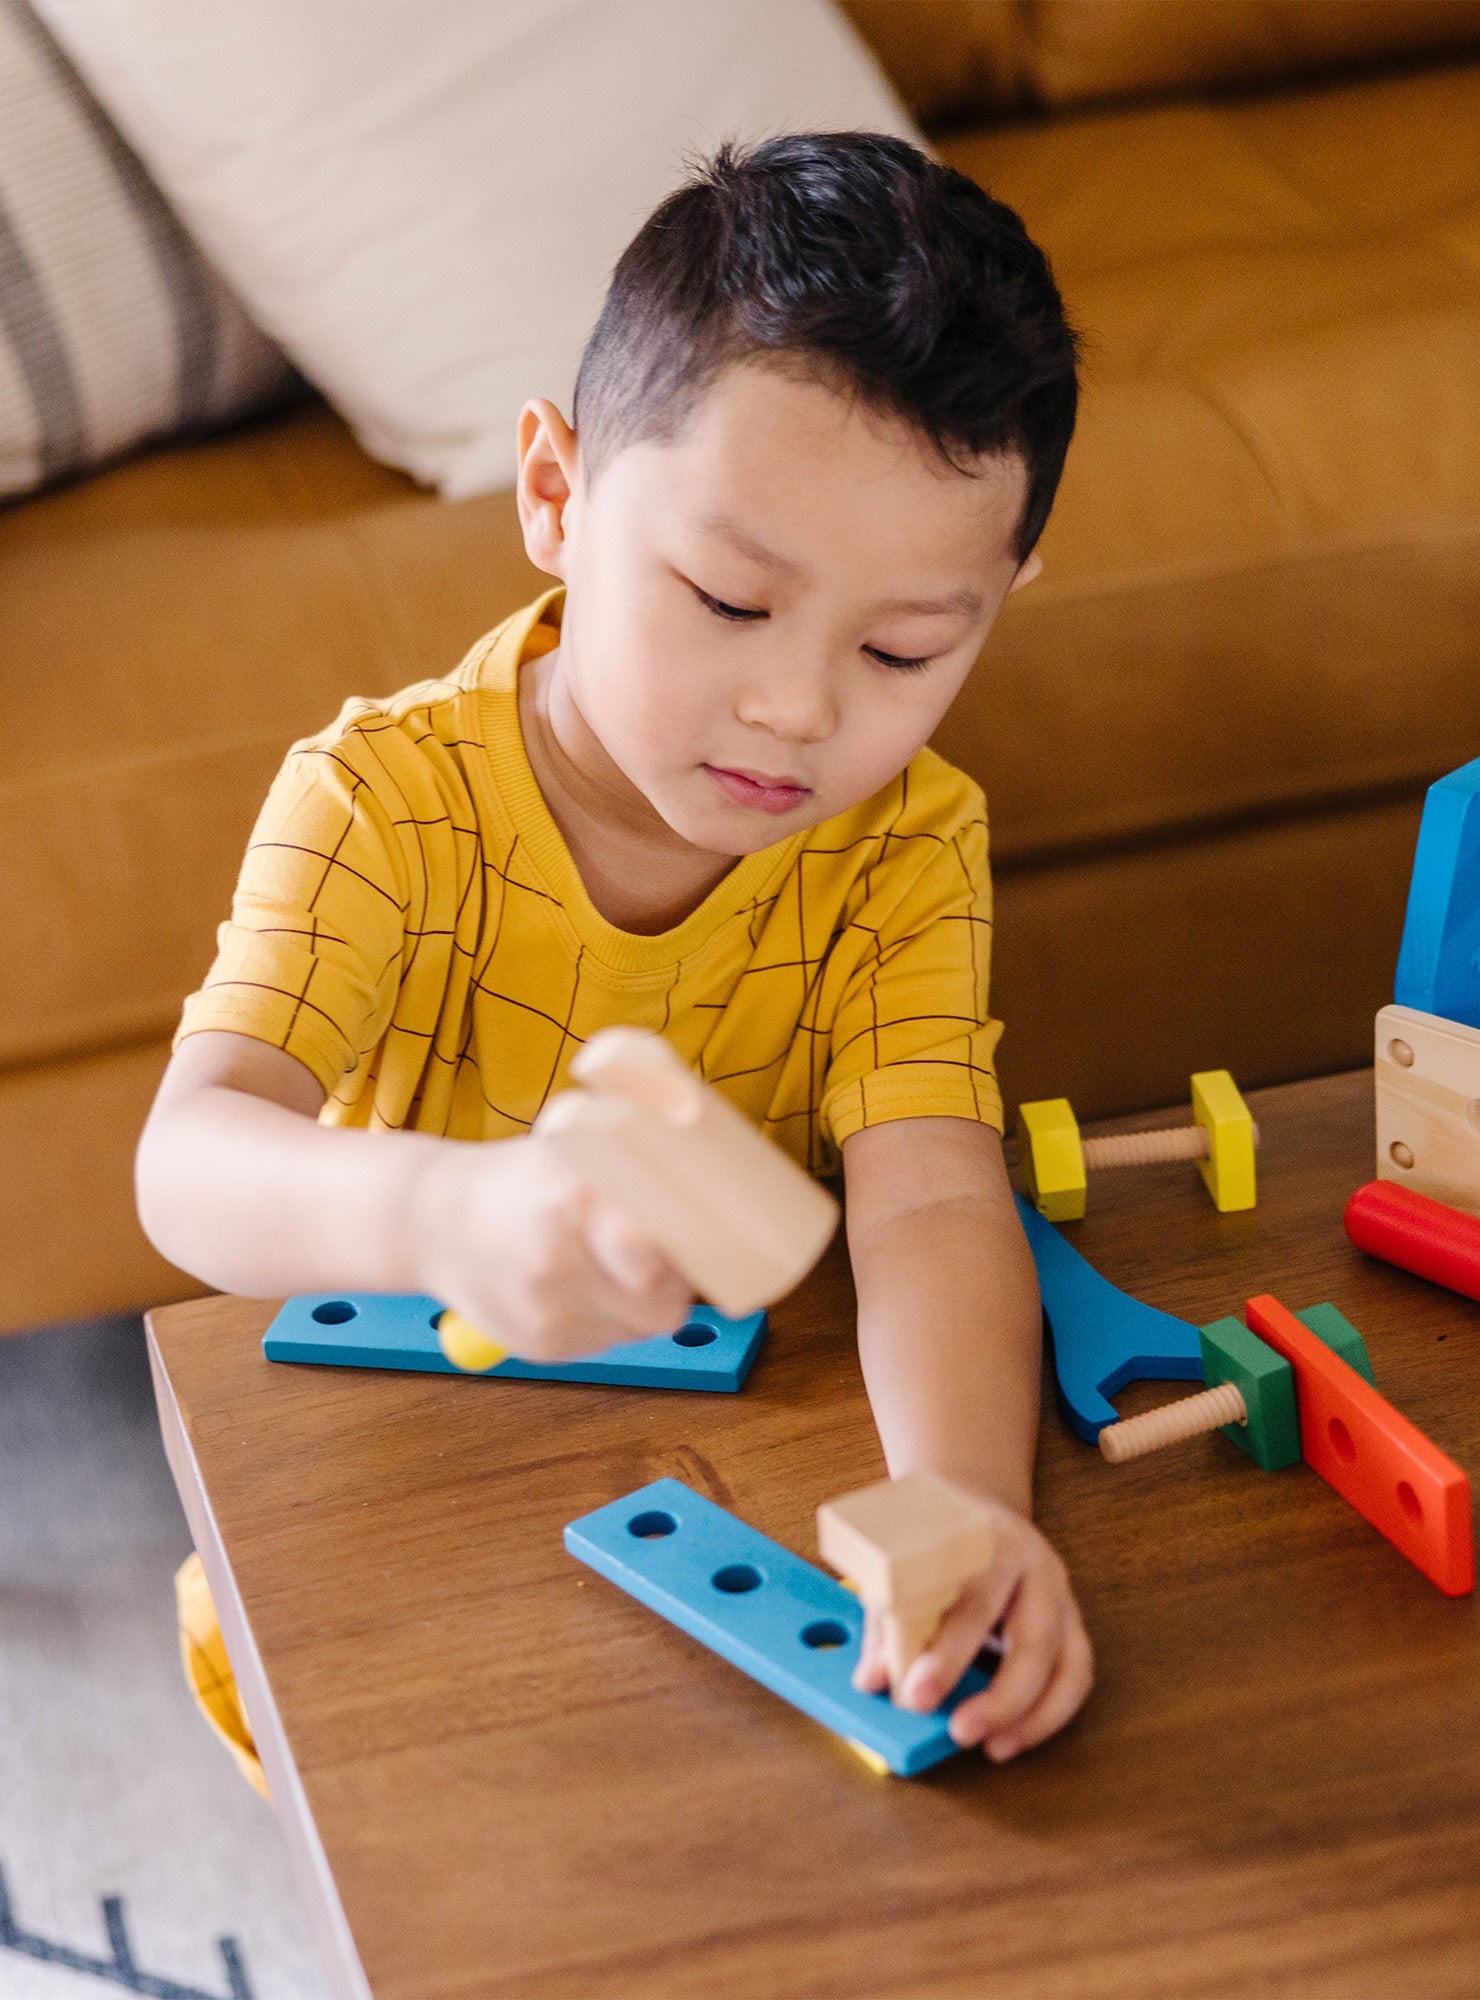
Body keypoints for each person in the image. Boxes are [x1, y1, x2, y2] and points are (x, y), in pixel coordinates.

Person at [137, 132, 1089, 1767]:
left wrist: (963, 1514)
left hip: (721, 1500)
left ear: (999, 604)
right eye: (727, 599)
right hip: (397, 1501)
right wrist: (456, 1214)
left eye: (903, 648)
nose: (798, 708)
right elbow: (191, 1163)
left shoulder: (908, 843)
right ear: (557, 498)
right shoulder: (382, 805)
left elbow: (931, 1195)